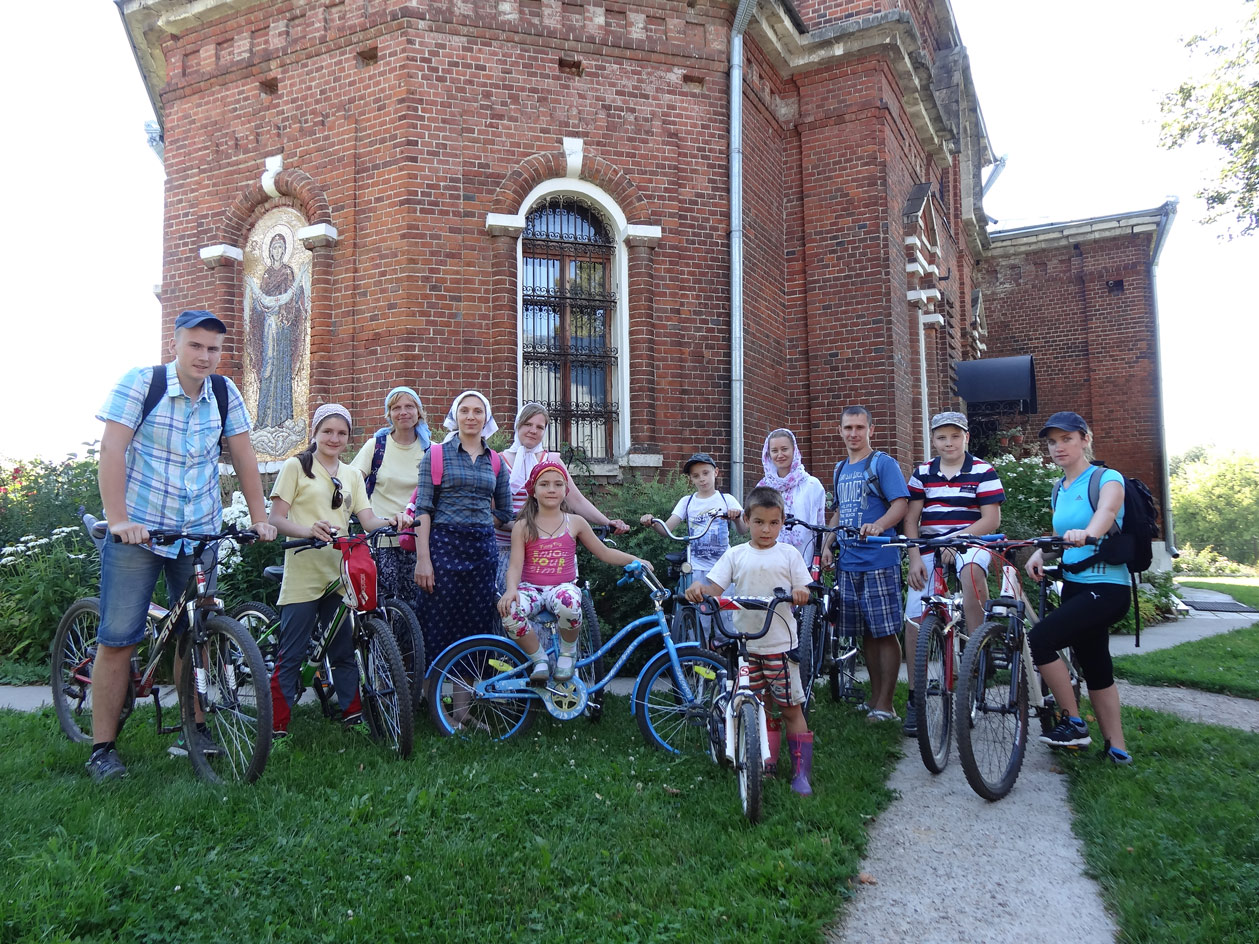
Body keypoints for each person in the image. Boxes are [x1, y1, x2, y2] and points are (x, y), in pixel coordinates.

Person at [88, 309, 277, 782]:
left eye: (213, 348)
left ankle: (193, 729)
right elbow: (111, 450)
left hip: (199, 531)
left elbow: (244, 456)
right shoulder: (142, 383)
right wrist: (119, 520)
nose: (205, 356)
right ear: (176, 344)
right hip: (141, 531)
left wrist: (259, 516)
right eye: (196, 345)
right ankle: (102, 749)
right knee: (119, 639)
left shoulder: (223, 393)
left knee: (198, 631)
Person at [267, 404, 396, 743]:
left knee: (342, 648)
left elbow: (367, 520)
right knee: (292, 652)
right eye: (328, 431)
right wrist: (308, 530)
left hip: (340, 570)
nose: (334, 438)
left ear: (348, 438)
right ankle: (277, 726)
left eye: (341, 433)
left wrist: (394, 520)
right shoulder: (297, 467)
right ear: (315, 433)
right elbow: (276, 519)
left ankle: (352, 716)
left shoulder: (352, 474)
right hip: (305, 567)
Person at [686, 486, 814, 794]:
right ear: (746, 520)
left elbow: (805, 590)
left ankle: (801, 772)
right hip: (747, 646)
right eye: (758, 522)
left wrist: (801, 594)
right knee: (757, 706)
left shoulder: (789, 555)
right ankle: (764, 763)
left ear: (783, 522)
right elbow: (713, 587)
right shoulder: (736, 555)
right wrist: (699, 589)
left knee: (790, 708)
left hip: (780, 647)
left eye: (773, 523)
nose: (766, 529)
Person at [1025, 411, 1133, 765]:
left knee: (1040, 639)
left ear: (1085, 439)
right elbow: (1060, 536)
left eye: (1067, 439)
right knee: (1095, 663)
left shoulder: (1105, 478)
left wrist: (1090, 532)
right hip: (1075, 585)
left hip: (1106, 587)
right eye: (1053, 441)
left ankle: (1073, 721)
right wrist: (1041, 552)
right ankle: (1117, 749)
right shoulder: (1060, 488)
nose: (1058, 447)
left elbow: (1107, 511)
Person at [498, 459, 651, 682]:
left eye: (558, 484)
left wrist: (637, 559)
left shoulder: (576, 522)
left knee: (569, 603)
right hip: (531, 588)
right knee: (509, 611)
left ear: (565, 490)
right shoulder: (523, 526)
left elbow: (605, 553)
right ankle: (539, 659)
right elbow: (514, 566)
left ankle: (568, 653)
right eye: (544, 484)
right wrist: (511, 589)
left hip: (562, 586)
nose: (551, 489)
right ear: (533, 491)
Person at [901, 411, 1005, 736]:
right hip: (929, 547)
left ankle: (978, 651)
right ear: (933, 440)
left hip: (971, 541)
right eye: (942, 437)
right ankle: (916, 697)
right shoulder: (922, 473)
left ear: (966, 438)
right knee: (915, 614)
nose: (949, 443)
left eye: (955, 436)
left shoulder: (982, 470)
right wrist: (914, 556)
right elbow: (910, 519)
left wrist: (957, 539)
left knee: (971, 572)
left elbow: (991, 519)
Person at [822, 406, 909, 722]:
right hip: (849, 563)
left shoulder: (882, 464)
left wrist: (881, 525)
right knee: (866, 635)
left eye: (859, 427)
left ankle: (887, 704)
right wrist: (828, 545)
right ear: (840, 430)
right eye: (848, 427)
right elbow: (838, 511)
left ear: (871, 430)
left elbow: (901, 503)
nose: (853, 433)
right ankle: (874, 700)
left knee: (884, 633)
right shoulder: (840, 468)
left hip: (878, 560)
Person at [413, 391, 513, 660]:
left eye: (478, 411)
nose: (471, 416)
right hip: (443, 549)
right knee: (434, 622)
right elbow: (422, 509)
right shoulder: (435, 455)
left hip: (482, 553)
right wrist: (423, 560)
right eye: (465, 410)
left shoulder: (495, 462)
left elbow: (504, 510)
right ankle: (427, 696)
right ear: (455, 416)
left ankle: (462, 702)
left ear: (486, 418)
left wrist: (476, 518)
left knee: (476, 628)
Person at [495, 402, 629, 592]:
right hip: (505, 549)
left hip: (546, 548)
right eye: (527, 424)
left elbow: (576, 500)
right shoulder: (498, 460)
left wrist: (607, 522)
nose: (533, 430)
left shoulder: (552, 461)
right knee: (510, 610)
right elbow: (492, 510)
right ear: (517, 425)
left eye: (540, 427)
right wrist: (519, 527)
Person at [639, 452, 747, 646]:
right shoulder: (687, 502)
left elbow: (743, 530)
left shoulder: (727, 499)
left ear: (716, 472)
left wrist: (737, 516)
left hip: (724, 570)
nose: (702, 479)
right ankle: (701, 663)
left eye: (705, 473)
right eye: (696, 476)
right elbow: (667, 529)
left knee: (728, 621)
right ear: (691, 479)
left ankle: (730, 661)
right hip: (696, 568)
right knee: (700, 621)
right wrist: (652, 522)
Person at [350, 385, 430, 611]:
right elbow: (352, 481)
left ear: (419, 412)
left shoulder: (431, 451)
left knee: (418, 607)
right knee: (387, 607)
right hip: (382, 540)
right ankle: (384, 647)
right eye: (396, 408)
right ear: (389, 414)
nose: (403, 412)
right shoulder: (376, 446)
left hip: (419, 541)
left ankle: (413, 648)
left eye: (409, 406)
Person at [755, 428, 827, 564]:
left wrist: (822, 552)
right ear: (768, 454)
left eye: (784, 449)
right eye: (774, 451)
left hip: (803, 560)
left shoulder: (811, 485)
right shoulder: (763, 487)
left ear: (794, 450)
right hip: (770, 561)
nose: (780, 455)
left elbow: (820, 524)